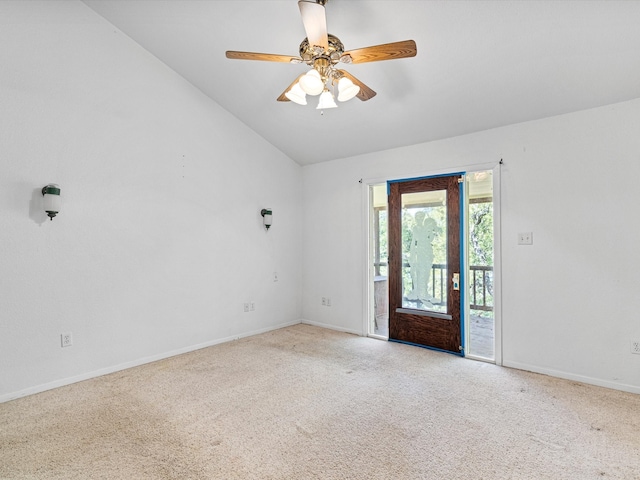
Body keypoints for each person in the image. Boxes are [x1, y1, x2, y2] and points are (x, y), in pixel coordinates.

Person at [408, 211, 437, 306]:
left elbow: (429, 239)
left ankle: (424, 293)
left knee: (426, 274)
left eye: (421, 217)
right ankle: (420, 294)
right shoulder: (416, 228)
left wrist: (432, 233)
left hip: (426, 254)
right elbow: (418, 239)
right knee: (419, 274)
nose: (420, 219)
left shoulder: (426, 228)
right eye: (418, 217)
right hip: (419, 255)